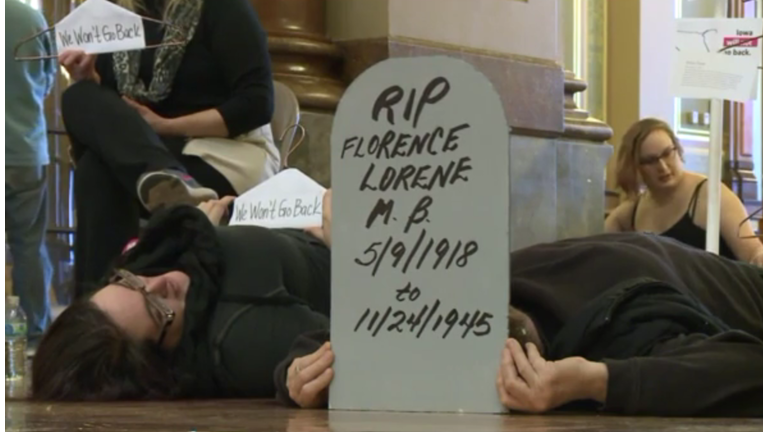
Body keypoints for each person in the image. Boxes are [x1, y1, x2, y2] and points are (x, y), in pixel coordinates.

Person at [274, 233, 762, 418]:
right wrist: (299, 373)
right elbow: (336, 335)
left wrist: (593, 381)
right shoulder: (468, 293)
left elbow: (752, 369)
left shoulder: (630, 322)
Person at [58, 0, 280, 296]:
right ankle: (163, 178)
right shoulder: (119, 18)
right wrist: (90, 79)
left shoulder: (223, 8)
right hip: (147, 162)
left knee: (99, 173)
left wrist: (164, 126)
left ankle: (98, 313)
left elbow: (257, 104)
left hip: (222, 154)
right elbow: (114, 113)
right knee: (79, 99)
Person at [31, 192, 332, 401]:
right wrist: (348, 252)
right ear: (157, 363)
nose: (161, 281)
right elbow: (357, 339)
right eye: (159, 309)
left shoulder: (168, 260)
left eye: (130, 281)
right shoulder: (241, 338)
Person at [605, 118, 762, 266]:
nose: (663, 167)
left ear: (677, 149)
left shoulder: (711, 194)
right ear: (636, 167)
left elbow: (753, 253)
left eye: (667, 153)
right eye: (651, 161)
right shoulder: (631, 211)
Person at [6, 0, 58, 344]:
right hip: (25, 149)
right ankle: (34, 336)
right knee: (29, 246)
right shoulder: (31, 18)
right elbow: (48, 79)